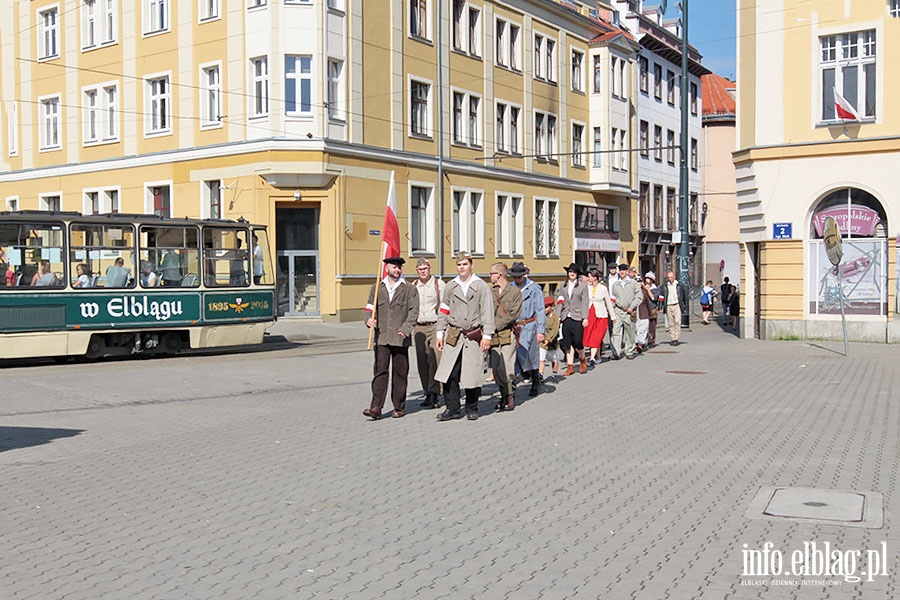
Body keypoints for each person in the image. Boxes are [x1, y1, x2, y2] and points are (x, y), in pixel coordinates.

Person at [434, 252, 494, 422]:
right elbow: (444, 310)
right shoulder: (451, 286)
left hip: (473, 335)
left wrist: (487, 336)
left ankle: (472, 408)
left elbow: (487, 312)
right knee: (449, 373)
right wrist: (440, 333)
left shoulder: (481, 286)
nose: (462, 268)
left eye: (465, 264)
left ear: (471, 265)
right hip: (454, 334)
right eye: (459, 265)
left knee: (472, 374)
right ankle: (452, 408)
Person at [362, 257, 419, 420]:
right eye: (394, 267)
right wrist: (368, 320)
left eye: (399, 268)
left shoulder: (409, 289)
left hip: (401, 337)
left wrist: (406, 329)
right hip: (382, 337)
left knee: (400, 373)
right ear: (387, 268)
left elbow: (414, 311)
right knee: (380, 372)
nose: (397, 270)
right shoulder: (377, 288)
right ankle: (376, 407)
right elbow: (369, 308)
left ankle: (399, 406)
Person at [411, 258, 445, 409]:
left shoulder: (439, 285)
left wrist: (443, 329)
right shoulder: (413, 286)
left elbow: (445, 307)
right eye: (420, 269)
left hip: (435, 325)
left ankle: (436, 392)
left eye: (425, 268)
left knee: (435, 359)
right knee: (422, 361)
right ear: (416, 271)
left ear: (429, 269)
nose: (423, 271)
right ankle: (427, 392)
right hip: (419, 327)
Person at [488, 262, 522, 412]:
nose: (489, 276)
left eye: (491, 274)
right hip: (493, 334)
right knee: (496, 368)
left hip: (507, 332)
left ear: (499, 275)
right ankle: (502, 395)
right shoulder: (490, 292)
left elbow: (514, 313)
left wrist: (498, 324)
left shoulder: (514, 292)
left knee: (507, 366)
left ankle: (509, 396)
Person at [510, 261, 545, 397]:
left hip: (529, 325)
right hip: (514, 325)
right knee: (514, 355)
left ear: (524, 275)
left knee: (530, 355)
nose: (517, 279)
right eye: (515, 277)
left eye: (519, 277)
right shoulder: (511, 288)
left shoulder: (534, 288)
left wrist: (541, 331)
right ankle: (512, 383)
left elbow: (540, 310)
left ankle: (535, 381)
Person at [556, 262, 589, 375]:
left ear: (577, 274)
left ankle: (582, 358)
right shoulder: (563, 285)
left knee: (578, 341)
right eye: (570, 272)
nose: (572, 274)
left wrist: (585, 317)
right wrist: (558, 315)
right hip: (566, 316)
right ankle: (570, 366)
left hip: (577, 316)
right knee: (567, 342)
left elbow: (585, 302)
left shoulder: (582, 286)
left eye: (574, 272)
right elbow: (560, 300)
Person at [610, 263, 643, 359]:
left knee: (630, 332)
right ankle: (616, 352)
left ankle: (629, 351)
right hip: (618, 310)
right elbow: (613, 298)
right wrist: (612, 309)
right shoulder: (616, 284)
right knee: (616, 331)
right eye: (620, 270)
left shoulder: (633, 283)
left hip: (629, 311)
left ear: (627, 272)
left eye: (624, 270)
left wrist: (632, 307)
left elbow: (639, 297)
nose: (622, 272)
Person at [583, 267, 615, 365]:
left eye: (590, 276)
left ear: (595, 277)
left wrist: (613, 316)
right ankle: (597, 357)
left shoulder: (603, 288)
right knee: (591, 336)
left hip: (601, 315)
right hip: (590, 314)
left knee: (597, 337)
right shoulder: (587, 288)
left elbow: (608, 303)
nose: (588, 278)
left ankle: (592, 358)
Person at [660, 271, 689, 346]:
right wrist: (661, 306)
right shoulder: (665, 286)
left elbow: (685, 296)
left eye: (671, 277)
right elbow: (661, 296)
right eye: (668, 277)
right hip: (669, 305)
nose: (670, 279)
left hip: (677, 305)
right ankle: (672, 338)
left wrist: (685, 306)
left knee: (677, 322)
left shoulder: (679, 285)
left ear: (674, 277)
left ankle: (676, 338)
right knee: (670, 323)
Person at [539, 297, 560, 378]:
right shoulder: (540, 315)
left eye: (546, 307)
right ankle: (541, 374)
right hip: (542, 340)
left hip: (551, 341)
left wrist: (548, 339)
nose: (544, 309)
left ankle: (554, 373)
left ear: (552, 307)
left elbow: (555, 330)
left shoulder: (555, 317)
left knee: (553, 358)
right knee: (541, 358)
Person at [635, 273, 656, 353]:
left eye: (640, 282)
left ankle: (640, 344)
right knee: (636, 330)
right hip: (635, 313)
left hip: (644, 313)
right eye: (637, 282)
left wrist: (650, 313)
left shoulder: (644, 292)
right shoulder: (632, 292)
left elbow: (648, 303)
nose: (639, 283)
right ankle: (636, 343)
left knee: (643, 329)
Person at [643, 272, 659, 348]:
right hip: (644, 309)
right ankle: (642, 341)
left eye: (649, 278)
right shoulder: (643, 287)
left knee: (652, 326)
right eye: (646, 278)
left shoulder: (655, 289)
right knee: (644, 326)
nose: (647, 280)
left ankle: (651, 341)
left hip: (652, 308)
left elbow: (653, 298)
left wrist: (648, 290)